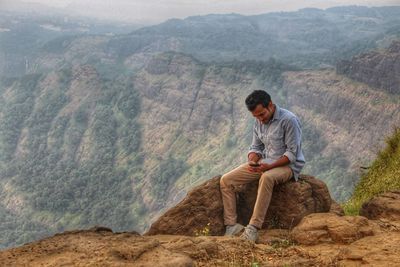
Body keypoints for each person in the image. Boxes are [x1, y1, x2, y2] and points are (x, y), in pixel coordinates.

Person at [220, 90, 306, 242]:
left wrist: (269, 166)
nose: (260, 119)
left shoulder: (289, 120)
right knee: (226, 180)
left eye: (261, 115)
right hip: (265, 163)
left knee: (266, 178)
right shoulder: (258, 121)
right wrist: (253, 160)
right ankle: (231, 225)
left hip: (288, 166)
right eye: (255, 116)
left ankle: (253, 228)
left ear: (270, 105)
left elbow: (292, 153)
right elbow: (256, 147)